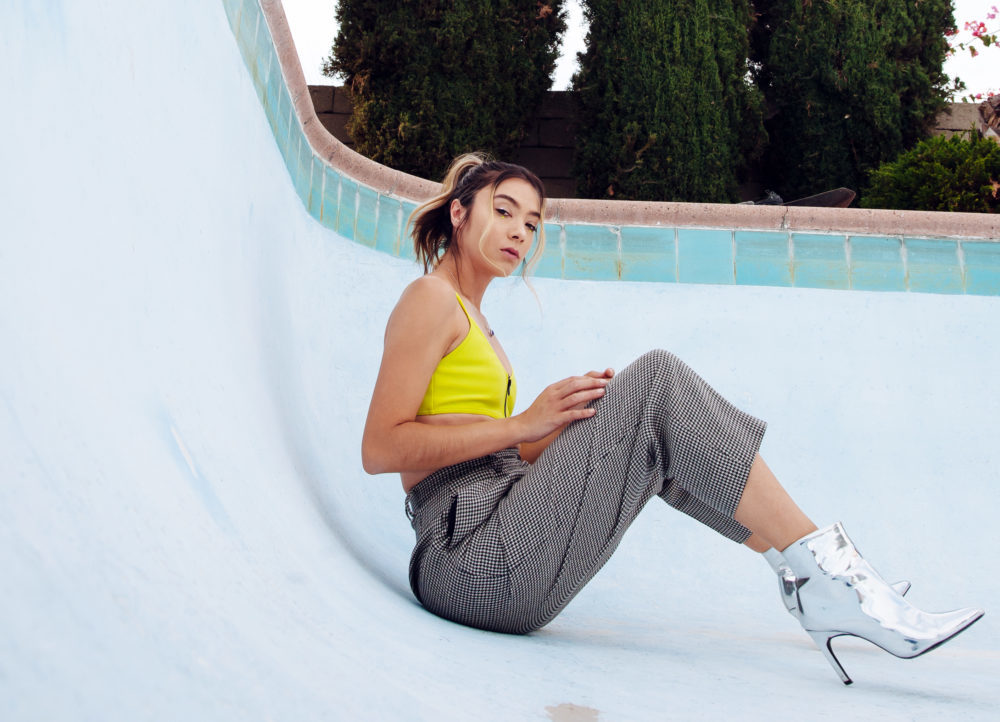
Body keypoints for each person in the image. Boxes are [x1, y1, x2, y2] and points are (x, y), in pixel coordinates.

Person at [361, 153, 983, 685]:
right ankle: (837, 582)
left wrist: (564, 426)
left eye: (531, 222)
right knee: (656, 379)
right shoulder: (430, 299)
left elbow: (480, 448)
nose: (519, 232)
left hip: (502, 542)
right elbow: (381, 448)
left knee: (649, 429)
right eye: (503, 211)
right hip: (467, 560)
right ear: (459, 212)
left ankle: (802, 577)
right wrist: (523, 425)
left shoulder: (476, 321)